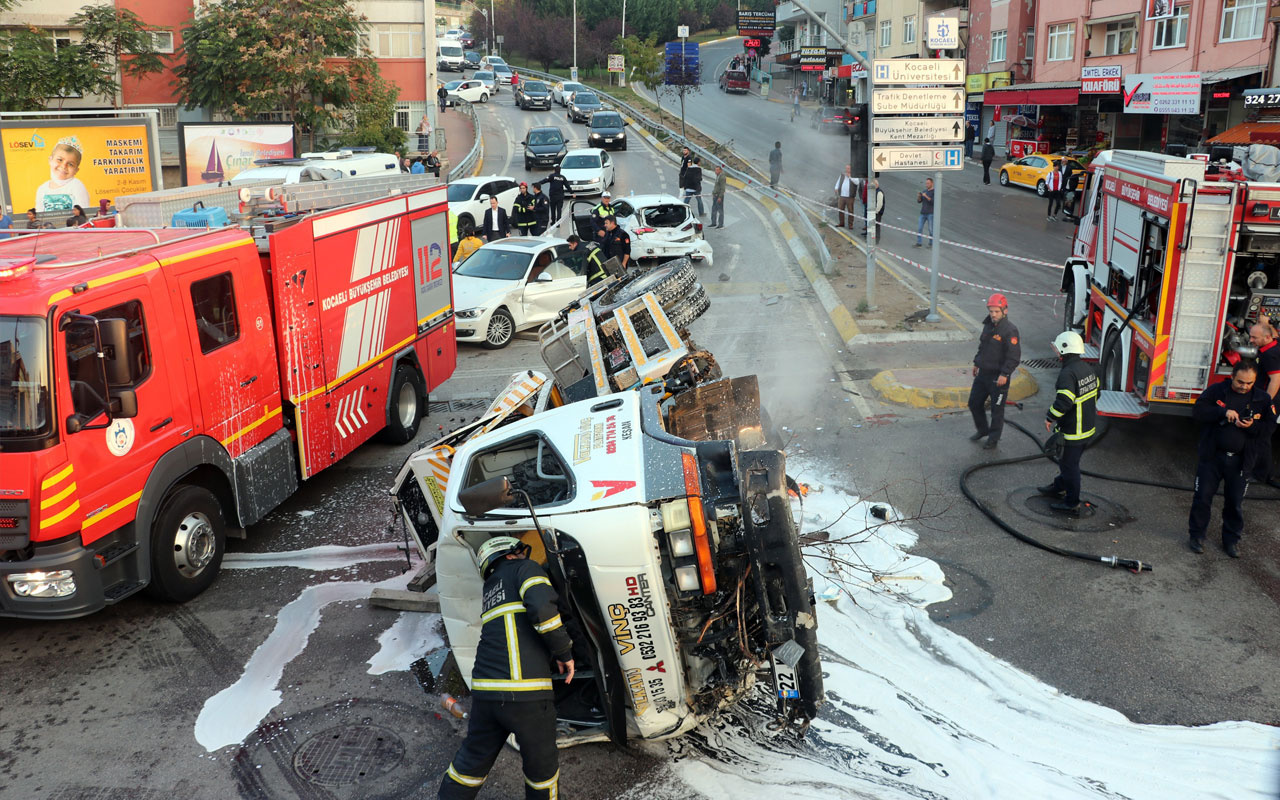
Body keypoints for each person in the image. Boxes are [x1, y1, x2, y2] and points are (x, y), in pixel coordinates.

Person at [437, 536, 573, 800]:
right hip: (525, 692)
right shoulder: (524, 568)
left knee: (470, 763)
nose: (524, 556)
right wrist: (563, 650)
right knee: (542, 770)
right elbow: (542, 610)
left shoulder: (491, 588)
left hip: (486, 693)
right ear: (509, 555)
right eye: (520, 553)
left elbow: (515, 628)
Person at [1187, 362, 1274, 557]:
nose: (1244, 386)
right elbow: (1198, 411)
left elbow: (1269, 429)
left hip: (1241, 462)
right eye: (1240, 382)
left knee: (1234, 503)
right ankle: (1197, 537)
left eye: (1249, 383)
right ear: (1232, 376)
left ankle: (1231, 542)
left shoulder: (1263, 399)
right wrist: (1222, 412)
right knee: (1202, 498)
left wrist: (1251, 426)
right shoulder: (1217, 391)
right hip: (1212, 457)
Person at [1039, 331, 1100, 515]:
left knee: (1069, 465)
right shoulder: (1088, 369)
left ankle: (1072, 502)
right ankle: (1058, 487)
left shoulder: (1067, 374)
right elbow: (1098, 393)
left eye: (1058, 349)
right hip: (1087, 428)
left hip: (1074, 431)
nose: (1056, 352)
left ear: (1064, 351)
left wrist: (1050, 417)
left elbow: (1064, 402)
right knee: (1068, 462)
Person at [968, 294, 1021, 450]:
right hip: (983, 374)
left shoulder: (1010, 330)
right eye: (991, 311)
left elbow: (1014, 357)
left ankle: (993, 438)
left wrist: (1004, 374)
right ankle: (982, 430)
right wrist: (977, 363)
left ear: (1004, 310)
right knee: (974, 403)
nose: (993, 314)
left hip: (999, 378)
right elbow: (982, 346)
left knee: (997, 410)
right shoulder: (988, 325)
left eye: (996, 311)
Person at [1247, 321, 1280, 485]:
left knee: (1262, 437)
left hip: (1270, 401)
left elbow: (1275, 380)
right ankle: (1264, 472)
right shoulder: (1274, 344)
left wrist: (1266, 403)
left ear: (1267, 338)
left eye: (1254, 337)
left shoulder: (1270, 355)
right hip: (1270, 400)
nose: (1251, 340)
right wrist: (1265, 320)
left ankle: (1262, 475)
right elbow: (1276, 334)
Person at [36, 136, 90, 213]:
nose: (64, 166)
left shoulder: (77, 186)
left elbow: (83, 212)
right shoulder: (42, 189)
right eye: (60, 160)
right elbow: (39, 213)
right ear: (50, 160)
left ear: (76, 170)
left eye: (70, 164)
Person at [914, 178, 935, 248]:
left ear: (932, 183)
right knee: (919, 228)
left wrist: (925, 196)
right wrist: (919, 196)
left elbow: (933, 201)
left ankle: (931, 243)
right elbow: (919, 201)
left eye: (928, 183)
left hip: (930, 213)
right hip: (923, 212)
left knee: (931, 229)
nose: (926, 185)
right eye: (926, 183)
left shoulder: (934, 192)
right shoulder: (924, 191)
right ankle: (919, 242)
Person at [834, 164, 856, 229]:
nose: (847, 170)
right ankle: (841, 223)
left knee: (850, 211)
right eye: (846, 168)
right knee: (840, 209)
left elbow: (857, 182)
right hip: (842, 195)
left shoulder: (854, 175)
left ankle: (850, 224)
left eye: (848, 168)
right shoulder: (842, 174)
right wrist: (836, 187)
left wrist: (850, 176)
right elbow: (838, 181)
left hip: (850, 196)